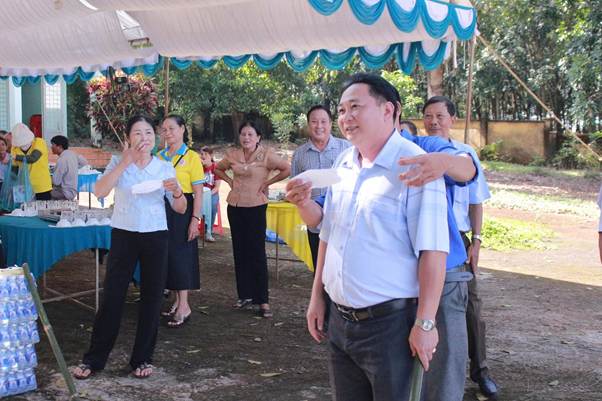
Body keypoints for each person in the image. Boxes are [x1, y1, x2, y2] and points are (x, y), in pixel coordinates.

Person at [288, 83, 478, 401]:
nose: (346, 117)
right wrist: (317, 296)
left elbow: (433, 252)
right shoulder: (345, 163)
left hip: (391, 326)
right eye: (342, 110)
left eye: (355, 107)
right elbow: (329, 233)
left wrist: (426, 323)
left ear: (388, 110)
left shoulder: (417, 164)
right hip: (342, 323)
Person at [73, 115, 187, 380]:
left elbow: (180, 208)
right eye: (137, 133)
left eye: (148, 133)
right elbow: (99, 191)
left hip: (156, 235)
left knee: (152, 297)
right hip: (124, 234)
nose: (144, 138)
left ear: (154, 137)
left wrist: (178, 192)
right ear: (128, 138)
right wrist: (125, 162)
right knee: (113, 296)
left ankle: (142, 358)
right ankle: (94, 359)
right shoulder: (117, 162)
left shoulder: (163, 167)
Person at [423, 95, 497, 397]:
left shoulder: (465, 156)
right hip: (427, 240)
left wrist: (476, 241)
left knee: (470, 306)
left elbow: (476, 202)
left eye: (439, 116)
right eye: (428, 116)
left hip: (459, 242)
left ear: (452, 119)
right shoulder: (418, 152)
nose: (433, 121)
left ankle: (481, 372)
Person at [214, 121, 290, 318]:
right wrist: (229, 181)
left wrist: (267, 183)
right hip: (235, 206)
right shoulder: (233, 154)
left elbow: (286, 169)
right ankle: (244, 295)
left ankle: (262, 300)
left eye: (250, 134)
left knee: (257, 253)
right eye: (243, 134)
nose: (246, 138)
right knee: (240, 252)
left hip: (256, 206)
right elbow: (218, 169)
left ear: (258, 137)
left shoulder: (266, 155)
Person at [158, 114, 205, 328]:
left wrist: (195, 219)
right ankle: (177, 302)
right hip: (162, 210)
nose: (168, 133)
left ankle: (185, 305)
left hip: (183, 210)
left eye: (172, 128)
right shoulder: (159, 156)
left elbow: (198, 192)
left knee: (181, 256)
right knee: (168, 256)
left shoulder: (192, 157)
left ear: (183, 129)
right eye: (164, 129)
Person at [290, 105, 351, 270]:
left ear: (331, 124)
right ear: (308, 125)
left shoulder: (347, 149)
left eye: (323, 121)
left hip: (344, 223)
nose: (319, 126)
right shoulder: (299, 155)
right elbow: (295, 188)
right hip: (315, 224)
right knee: (320, 269)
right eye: (314, 122)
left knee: (344, 270)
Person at [10, 123, 52, 200]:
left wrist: (16, 157)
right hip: (24, 187)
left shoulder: (39, 142)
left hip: (41, 186)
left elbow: (33, 158)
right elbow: (14, 168)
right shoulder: (14, 148)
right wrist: (12, 182)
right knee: (25, 207)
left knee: (43, 207)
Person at [50, 135, 88, 200]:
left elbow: (56, 181)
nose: (51, 147)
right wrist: (73, 167)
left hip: (64, 192)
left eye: (53, 145)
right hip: (73, 191)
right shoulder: (72, 154)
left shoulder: (62, 159)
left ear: (60, 146)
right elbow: (84, 162)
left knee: (43, 195)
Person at [200, 146, 221, 242]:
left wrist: (208, 195)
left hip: (212, 193)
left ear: (211, 155)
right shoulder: (199, 167)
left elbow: (216, 187)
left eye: (206, 154)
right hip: (200, 192)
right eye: (201, 154)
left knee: (212, 205)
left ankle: (208, 230)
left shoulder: (216, 168)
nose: (203, 156)